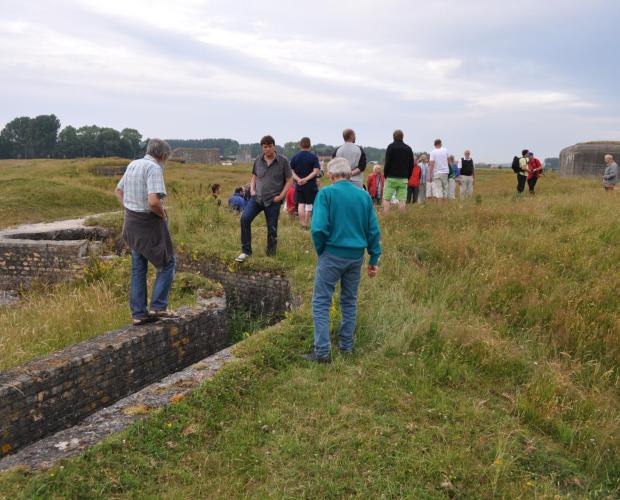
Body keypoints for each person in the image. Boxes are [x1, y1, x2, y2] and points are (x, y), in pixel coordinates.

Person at [302, 157, 381, 363]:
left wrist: (322, 251)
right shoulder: (363, 196)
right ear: (350, 174)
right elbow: (373, 230)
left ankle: (322, 352)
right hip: (356, 257)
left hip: (332, 254)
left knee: (321, 301)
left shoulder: (326, 193)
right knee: (349, 301)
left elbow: (318, 228)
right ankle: (346, 347)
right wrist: (374, 258)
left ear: (330, 175)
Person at [115, 138, 176, 326]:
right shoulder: (154, 168)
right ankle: (158, 306)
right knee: (168, 262)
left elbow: (118, 191)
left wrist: (130, 208)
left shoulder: (133, 164)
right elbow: (153, 201)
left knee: (138, 268)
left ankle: (139, 313)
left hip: (131, 222)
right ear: (163, 155)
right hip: (148, 223)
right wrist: (162, 214)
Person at [236, 135, 293, 262]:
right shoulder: (258, 160)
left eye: (269, 146)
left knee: (272, 229)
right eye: (264, 147)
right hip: (257, 199)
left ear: (274, 146)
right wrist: (252, 189)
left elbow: (289, 180)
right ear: (262, 148)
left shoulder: (283, 161)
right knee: (245, 219)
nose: (267, 149)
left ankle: (270, 257)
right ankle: (246, 251)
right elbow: (254, 176)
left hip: (273, 200)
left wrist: (281, 196)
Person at [290, 137, 321, 228]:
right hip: (311, 185)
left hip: (299, 185)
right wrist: (306, 179)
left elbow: (291, 171)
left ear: (300, 145)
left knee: (301, 204)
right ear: (310, 145)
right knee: (311, 204)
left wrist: (298, 179)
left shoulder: (295, 157)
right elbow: (316, 171)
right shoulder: (313, 157)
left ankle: (303, 224)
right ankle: (309, 223)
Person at [382, 129, 414, 213]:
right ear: (403, 137)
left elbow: (387, 162)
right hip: (403, 178)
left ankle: (386, 216)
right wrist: (408, 176)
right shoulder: (408, 148)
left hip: (391, 177)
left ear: (393, 137)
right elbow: (411, 165)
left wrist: (385, 175)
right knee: (402, 200)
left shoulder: (390, 147)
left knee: (386, 198)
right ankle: (401, 217)